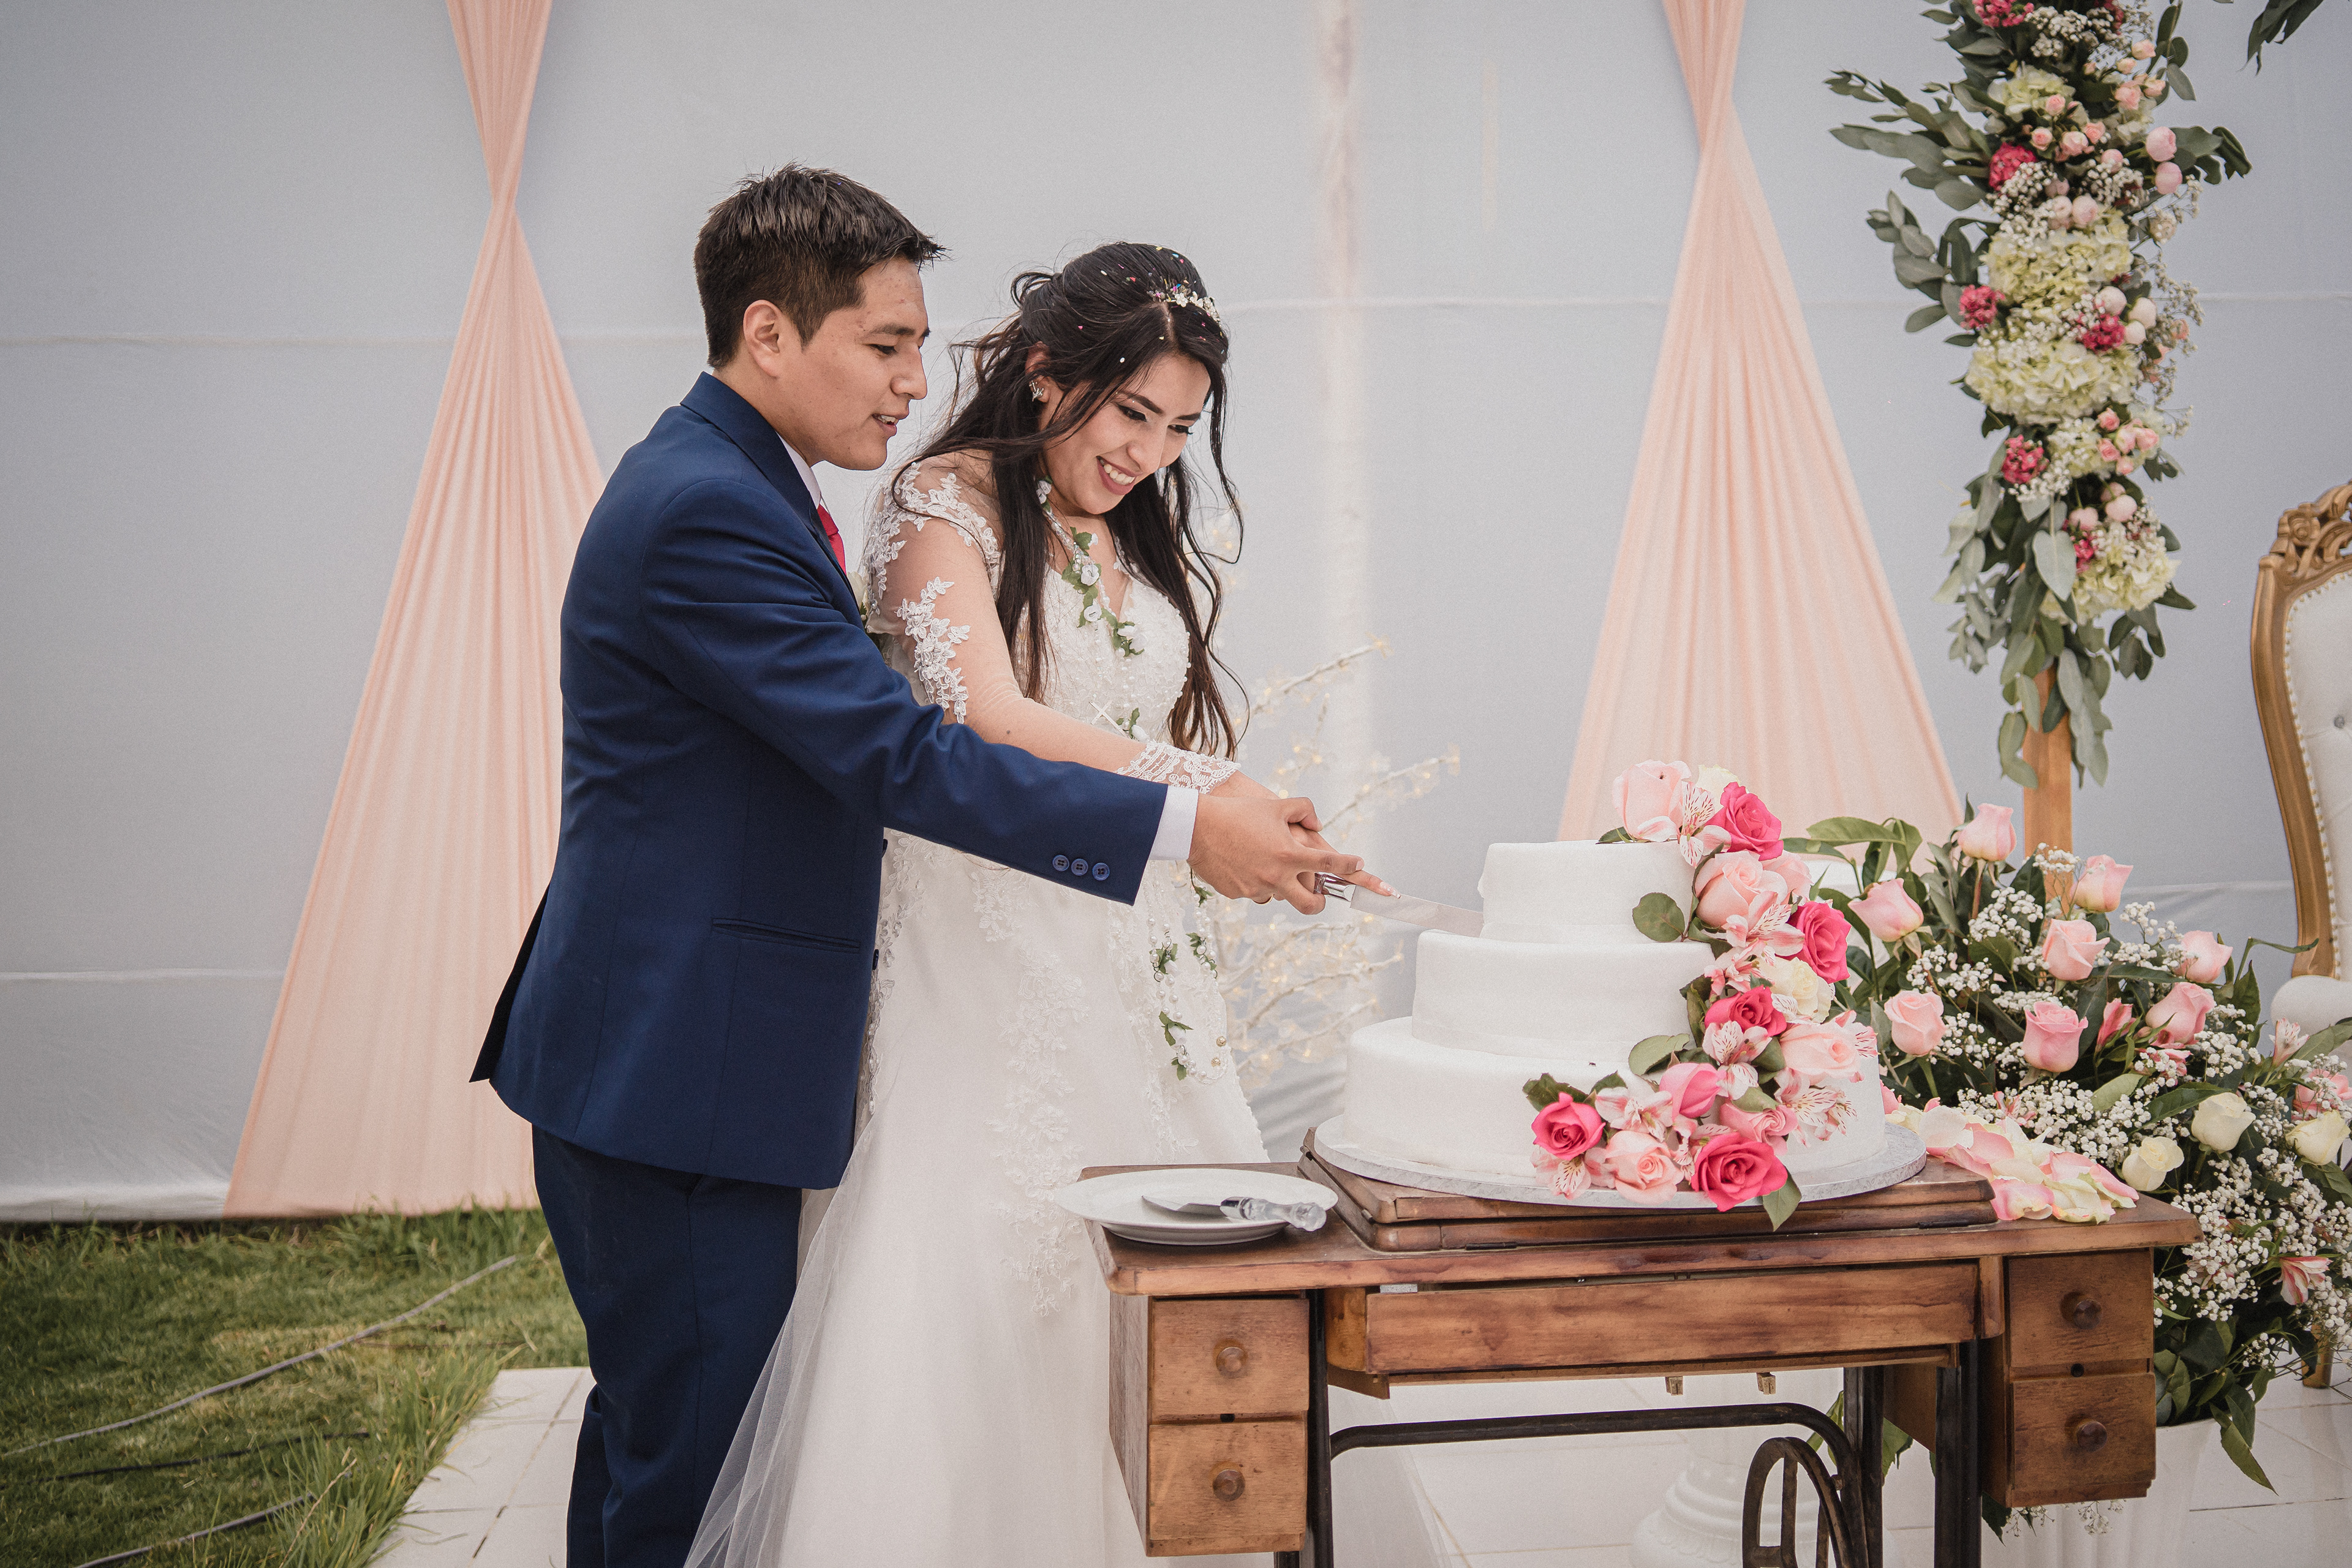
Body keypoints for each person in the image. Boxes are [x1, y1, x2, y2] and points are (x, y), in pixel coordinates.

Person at [473, 171, 1371, 1567]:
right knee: (690, 1460)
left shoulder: (739, 481)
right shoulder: (709, 507)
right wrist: (1188, 821)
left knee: (666, 1433)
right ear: (769, 332)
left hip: (705, 1047)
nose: (914, 378)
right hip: (676, 1063)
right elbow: (905, 756)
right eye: (886, 343)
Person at [685, 244, 1423, 1567]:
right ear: (1045, 371)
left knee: (1188, 1281)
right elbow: (991, 721)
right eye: (1131, 412)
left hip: (1129, 948)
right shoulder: (941, 503)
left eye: (1179, 429)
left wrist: (1256, 808)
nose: (1148, 452)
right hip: (980, 955)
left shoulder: (1126, 524)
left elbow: (1128, 725)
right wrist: (1209, 799)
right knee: (990, 1260)